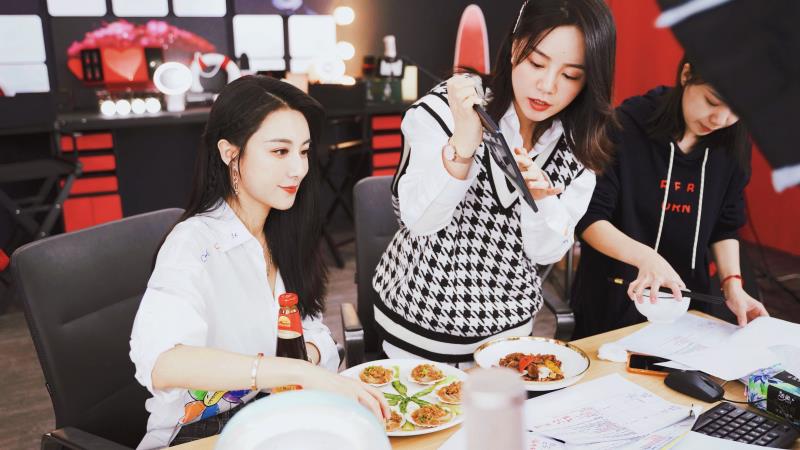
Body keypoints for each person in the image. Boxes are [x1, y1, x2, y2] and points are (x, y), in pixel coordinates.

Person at [129, 75, 388, 449]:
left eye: (303, 151)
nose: (298, 169)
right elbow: (162, 364)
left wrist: (305, 360)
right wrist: (293, 370)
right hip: (200, 434)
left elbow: (312, 330)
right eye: (280, 151)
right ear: (229, 153)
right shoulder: (193, 244)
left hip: (276, 417)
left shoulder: (285, 230)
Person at [372, 0, 617, 363]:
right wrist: (463, 146)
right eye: (537, 63)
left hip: (510, 344)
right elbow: (419, 221)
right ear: (515, 47)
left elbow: (545, 253)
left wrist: (541, 200)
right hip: (419, 335)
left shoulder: (579, 147)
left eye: (570, 76)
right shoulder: (448, 109)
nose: (547, 86)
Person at [571, 57, 769, 339]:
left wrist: (733, 284)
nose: (720, 119)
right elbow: (589, 218)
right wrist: (646, 258)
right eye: (712, 101)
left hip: (687, 308)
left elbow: (725, 226)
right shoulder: (627, 124)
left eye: (737, 111)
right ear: (686, 74)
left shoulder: (733, 142)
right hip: (613, 300)